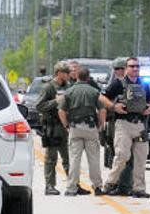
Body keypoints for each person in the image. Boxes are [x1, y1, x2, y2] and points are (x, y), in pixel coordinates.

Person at [103, 57, 150, 198]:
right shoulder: (118, 84)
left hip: (139, 124)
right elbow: (102, 98)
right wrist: (114, 106)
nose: (135, 69)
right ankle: (110, 183)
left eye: (137, 66)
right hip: (123, 123)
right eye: (132, 66)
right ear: (126, 68)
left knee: (141, 158)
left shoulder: (144, 84)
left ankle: (138, 188)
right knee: (122, 155)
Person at [59, 67, 113, 196]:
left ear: (77, 76)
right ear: (88, 77)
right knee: (93, 159)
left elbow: (61, 111)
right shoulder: (94, 91)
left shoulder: (69, 91)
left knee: (74, 159)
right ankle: (98, 187)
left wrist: (66, 125)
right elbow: (103, 110)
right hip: (90, 128)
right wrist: (101, 125)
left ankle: (71, 188)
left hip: (75, 128)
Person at [35, 62, 72, 195]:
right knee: (51, 158)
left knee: (68, 157)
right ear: (59, 73)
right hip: (52, 127)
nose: (69, 75)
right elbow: (39, 106)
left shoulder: (68, 86)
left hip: (65, 126)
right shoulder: (49, 87)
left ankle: (73, 184)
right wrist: (56, 101)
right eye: (66, 72)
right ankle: (49, 186)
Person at [102, 57, 134, 194]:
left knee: (123, 156)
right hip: (115, 123)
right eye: (114, 69)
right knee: (119, 155)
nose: (115, 72)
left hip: (127, 124)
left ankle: (123, 186)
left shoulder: (127, 83)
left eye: (117, 69)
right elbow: (103, 101)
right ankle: (121, 184)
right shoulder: (115, 84)